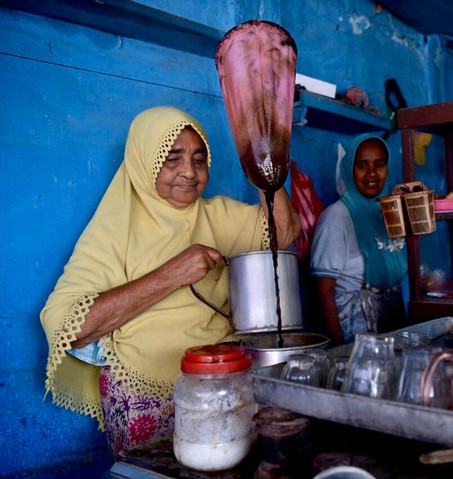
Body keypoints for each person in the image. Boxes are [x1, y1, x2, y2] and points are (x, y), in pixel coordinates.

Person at [39, 106, 301, 456]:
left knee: (226, 463)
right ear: (144, 161)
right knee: (152, 473)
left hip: (220, 381)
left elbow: (285, 233)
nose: (189, 172)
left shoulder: (220, 216)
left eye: (199, 159)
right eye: (172, 158)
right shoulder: (115, 229)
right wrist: (172, 273)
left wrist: (264, 164)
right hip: (143, 394)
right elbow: (68, 327)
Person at [310, 134, 407, 345]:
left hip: (393, 320)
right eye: (362, 165)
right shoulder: (336, 218)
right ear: (349, 169)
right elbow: (324, 293)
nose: (372, 173)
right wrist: (339, 352)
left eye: (379, 164)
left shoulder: (391, 213)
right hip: (355, 336)